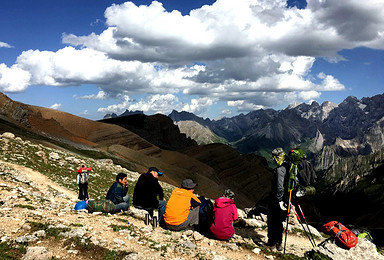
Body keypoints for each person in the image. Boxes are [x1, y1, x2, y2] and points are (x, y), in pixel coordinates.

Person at [266, 147, 289, 251]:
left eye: (275, 157)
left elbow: (279, 187)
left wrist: (279, 200)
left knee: (272, 220)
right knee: (279, 222)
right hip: (286, 200)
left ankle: (272, 243)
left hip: (277, 200)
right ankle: (279, 243)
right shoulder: (288, 166)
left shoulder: (280, 170)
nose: (274, 160)